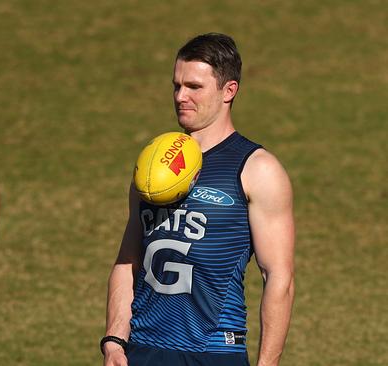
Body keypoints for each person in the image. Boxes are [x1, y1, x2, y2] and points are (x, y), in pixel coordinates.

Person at [102, 33, 295, 366]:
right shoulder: (153, 165)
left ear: (228, 91)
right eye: (176, 85)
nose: (180, 96)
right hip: (142, 350)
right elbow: (127, 261)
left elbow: (279, 277)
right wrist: (115, 341)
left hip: (214, 351)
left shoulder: (256, 168)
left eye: (194, 87)